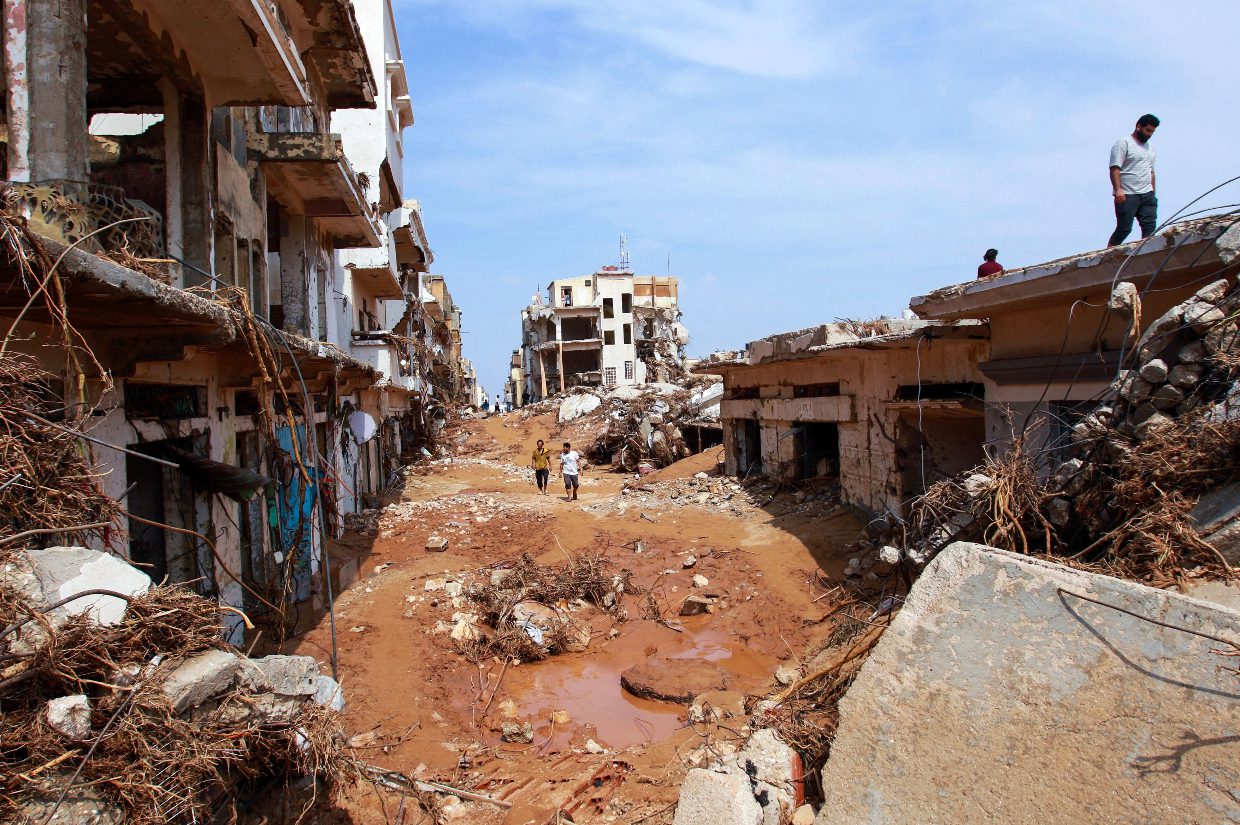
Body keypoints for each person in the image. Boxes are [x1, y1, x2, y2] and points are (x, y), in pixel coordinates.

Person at [1108, 114, 1159, 247]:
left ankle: (1147, 254)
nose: (1149, 134)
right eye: (1148, 130)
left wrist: (1153, 192)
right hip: (1127, 194)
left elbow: (1151, 171)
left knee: (1149, 228)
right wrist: (1118, 189)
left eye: (1152, 132)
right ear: (1138, 127)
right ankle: (1108, 254)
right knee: (1124, 229)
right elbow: (1114, 168)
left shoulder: (1151, 148)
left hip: (1147, 194)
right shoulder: (1123, 143)